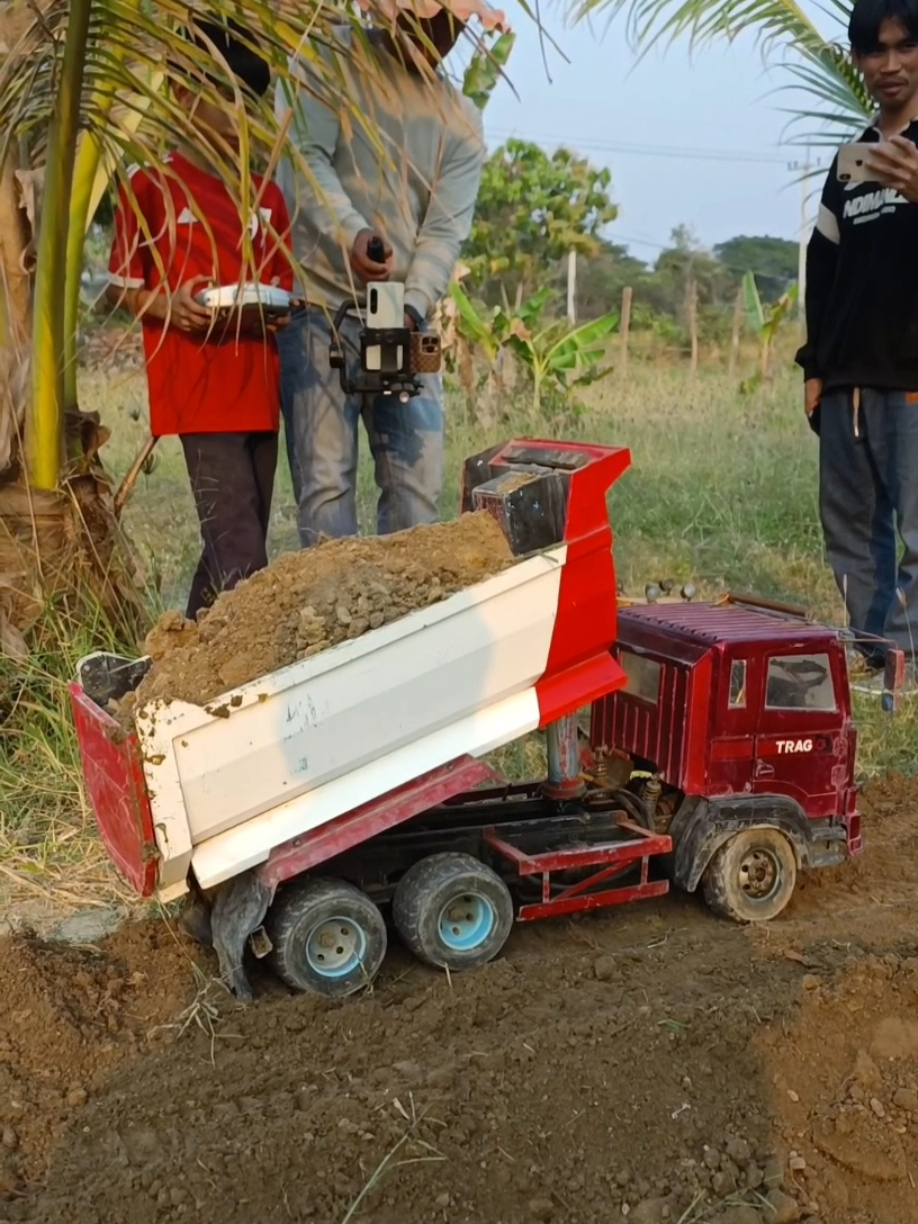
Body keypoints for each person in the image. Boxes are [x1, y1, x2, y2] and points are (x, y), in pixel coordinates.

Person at [275, 0, 507, 547]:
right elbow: (306, 159)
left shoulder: (461, 122)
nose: (436, 31)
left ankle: (410, 623)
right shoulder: (332, 63)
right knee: (325, 486)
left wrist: (409, 307)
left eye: (450, 21)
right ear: (393, 12)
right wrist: (350, 234)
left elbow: (443, 233)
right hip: (319, 306)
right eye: (426, 16)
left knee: (417, 489)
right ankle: (337, 623)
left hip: (405, 316)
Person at [106, 17, 294, 621]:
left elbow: (282, 291)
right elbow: (123, 289)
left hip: (259, 393)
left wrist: (277, 310)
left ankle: (180, 662)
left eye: (250, 106)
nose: (239, 118)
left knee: (232, 549)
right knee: (242, 557)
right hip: (197, 394)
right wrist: (170, 304)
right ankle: (253, 687)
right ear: (185, 97)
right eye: (226, 102)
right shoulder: (150, 185)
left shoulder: (266, 194)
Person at [796, 0, 918, 678]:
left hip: (911, 377)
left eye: (904, 47)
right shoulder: (850, 161)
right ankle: (874, 660)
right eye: (876, 51)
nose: (890, 64)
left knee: (915, 532)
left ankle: (909, 662)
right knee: (850, 529)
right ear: (858, 62)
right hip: (845, 380)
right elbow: (825, 268)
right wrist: (815, 366)